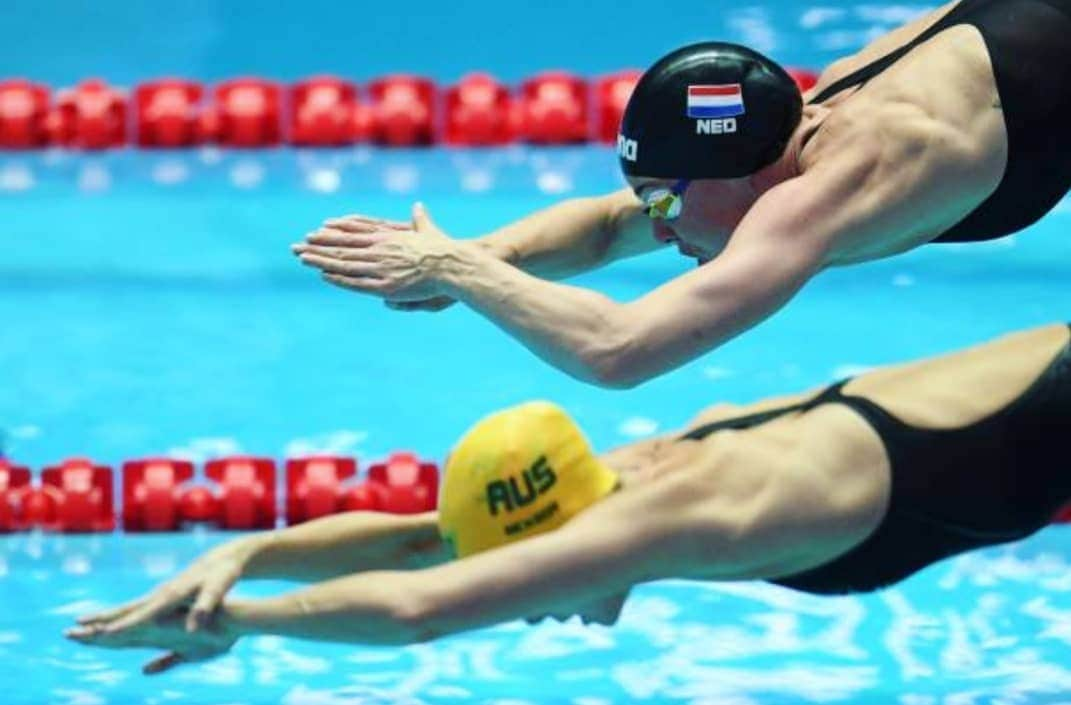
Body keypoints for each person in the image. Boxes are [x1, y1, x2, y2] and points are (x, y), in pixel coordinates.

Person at [67, 323, 1071, 674]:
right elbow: (425, 544)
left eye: (524, 570)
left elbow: (420, 609)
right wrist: (240, 553)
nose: (528, 595)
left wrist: (234, 622)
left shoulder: (663, 518)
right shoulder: (628, 468)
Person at [293, 0, 1071, 388]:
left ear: (740, 174)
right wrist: (476, 253)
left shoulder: (846, 177)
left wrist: (459, 272)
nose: (657, 230)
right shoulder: (776, 138)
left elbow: (617, 350)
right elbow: (603, 228)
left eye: (664, 202)